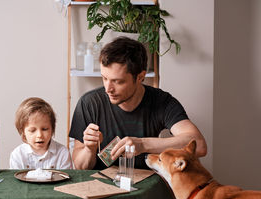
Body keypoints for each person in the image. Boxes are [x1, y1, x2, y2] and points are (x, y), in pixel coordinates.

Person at [69, 36, 207, 170]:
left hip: (143, 188)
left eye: (118, 81)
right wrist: (89, 149)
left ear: (140, 77)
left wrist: (142, 144)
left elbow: (199, 145)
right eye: (104, 78)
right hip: (99, 188)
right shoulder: (89, 103)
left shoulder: (161, 101)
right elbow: (81, 167)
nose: (108, 89)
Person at [10, 97, 73, 169]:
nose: (39, 135)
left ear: (52, 129)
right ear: (23, 132)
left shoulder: (62, 153)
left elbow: (67, 179)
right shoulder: (18, 155)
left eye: (44, 129)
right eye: (32, 130)